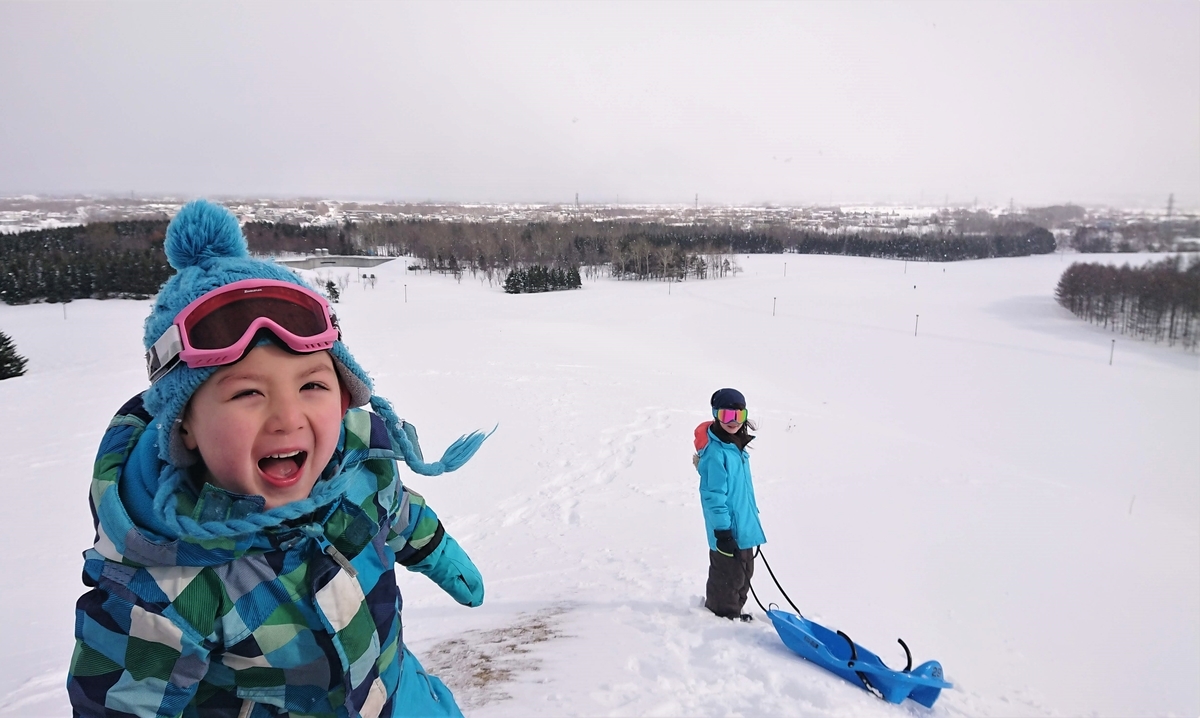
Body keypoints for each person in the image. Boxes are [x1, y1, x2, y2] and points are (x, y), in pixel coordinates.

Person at [67, 200, 489, 718]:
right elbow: (117, 703)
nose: (288, 417)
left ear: (343, 396)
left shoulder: (357, 465)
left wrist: (435, 550)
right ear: (185, 428)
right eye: (248, 393)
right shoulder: (167, 588)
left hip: (401, 697)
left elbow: (395, 509)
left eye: (312, 384)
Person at [693, 388, 766, 621]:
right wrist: (722, 531)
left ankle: (734, 613)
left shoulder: (736, 447)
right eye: (727, 416)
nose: (733, 421)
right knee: (727, 577)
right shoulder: (715, 453)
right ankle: (720, 619)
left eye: (738, 415)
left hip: (743, 527)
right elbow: (713, 496)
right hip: (727, 530)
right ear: (716, 414)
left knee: (744, 575)